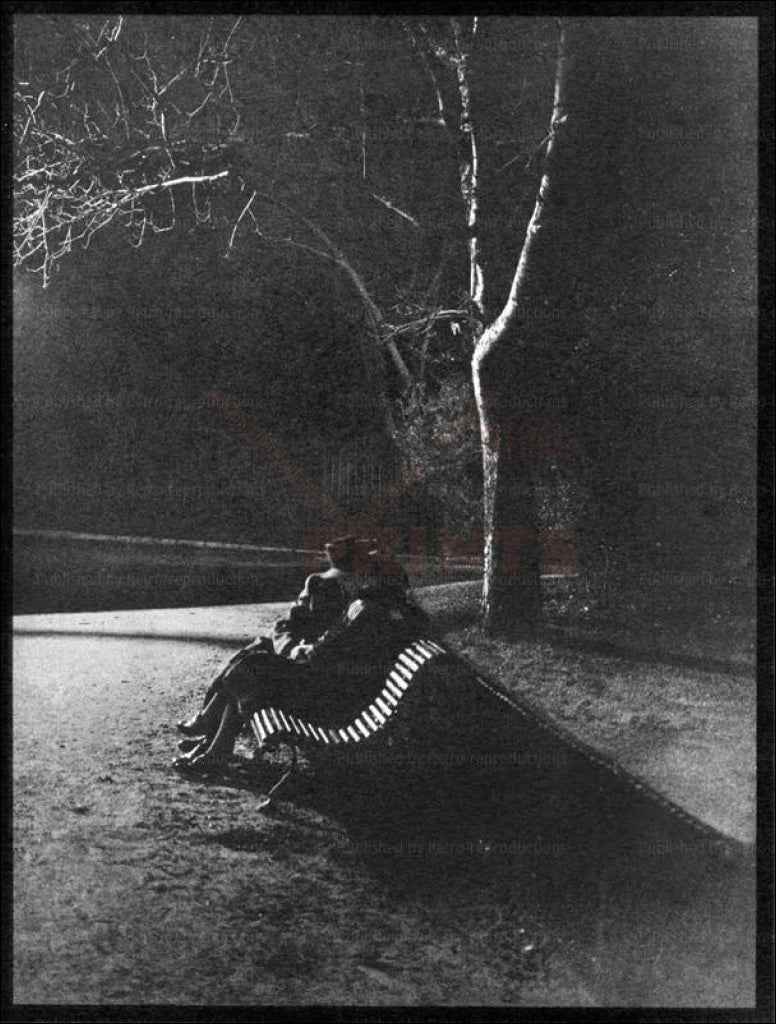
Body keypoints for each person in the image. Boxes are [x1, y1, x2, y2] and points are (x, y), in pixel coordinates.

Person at [173, 548, 429, 772]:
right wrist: (308, 649)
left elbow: (326, 653)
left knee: (254, 666)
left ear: (376, 580)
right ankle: (216, 746)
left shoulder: (367, 611)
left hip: (335, 703)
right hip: (346, 693)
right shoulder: (387, 611)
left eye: (366, 575)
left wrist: (303, 651)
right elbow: (336, 648)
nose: (359, 579)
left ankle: (216, 745)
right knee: (255, 662)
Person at [174, 536, 363, 755]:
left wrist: (302, 650)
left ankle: (210, 733)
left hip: (316, 677)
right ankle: (210, 736)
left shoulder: (357, 602)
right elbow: (286, 624)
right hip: (303, 658)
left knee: (251, 665)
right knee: (252, 654)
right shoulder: (323, 584)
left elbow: (333, 645)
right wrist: (291, 648)